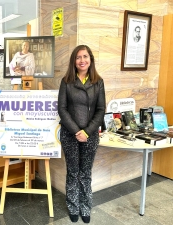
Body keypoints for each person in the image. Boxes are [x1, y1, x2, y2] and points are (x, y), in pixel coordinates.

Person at [58, 45, 106, 223]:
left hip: (90, 135)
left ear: (90, 59)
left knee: (85, 172)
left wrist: (87, 131)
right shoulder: (67, 81)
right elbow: (62, 109)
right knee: (72, 172)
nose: (82, 60)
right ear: (74, 61)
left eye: (85, 57)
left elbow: (101, 110)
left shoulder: (98, 82)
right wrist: (77, 131)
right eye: (78, 57)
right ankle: (73, 205)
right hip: (70, 134)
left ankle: (85, 206)